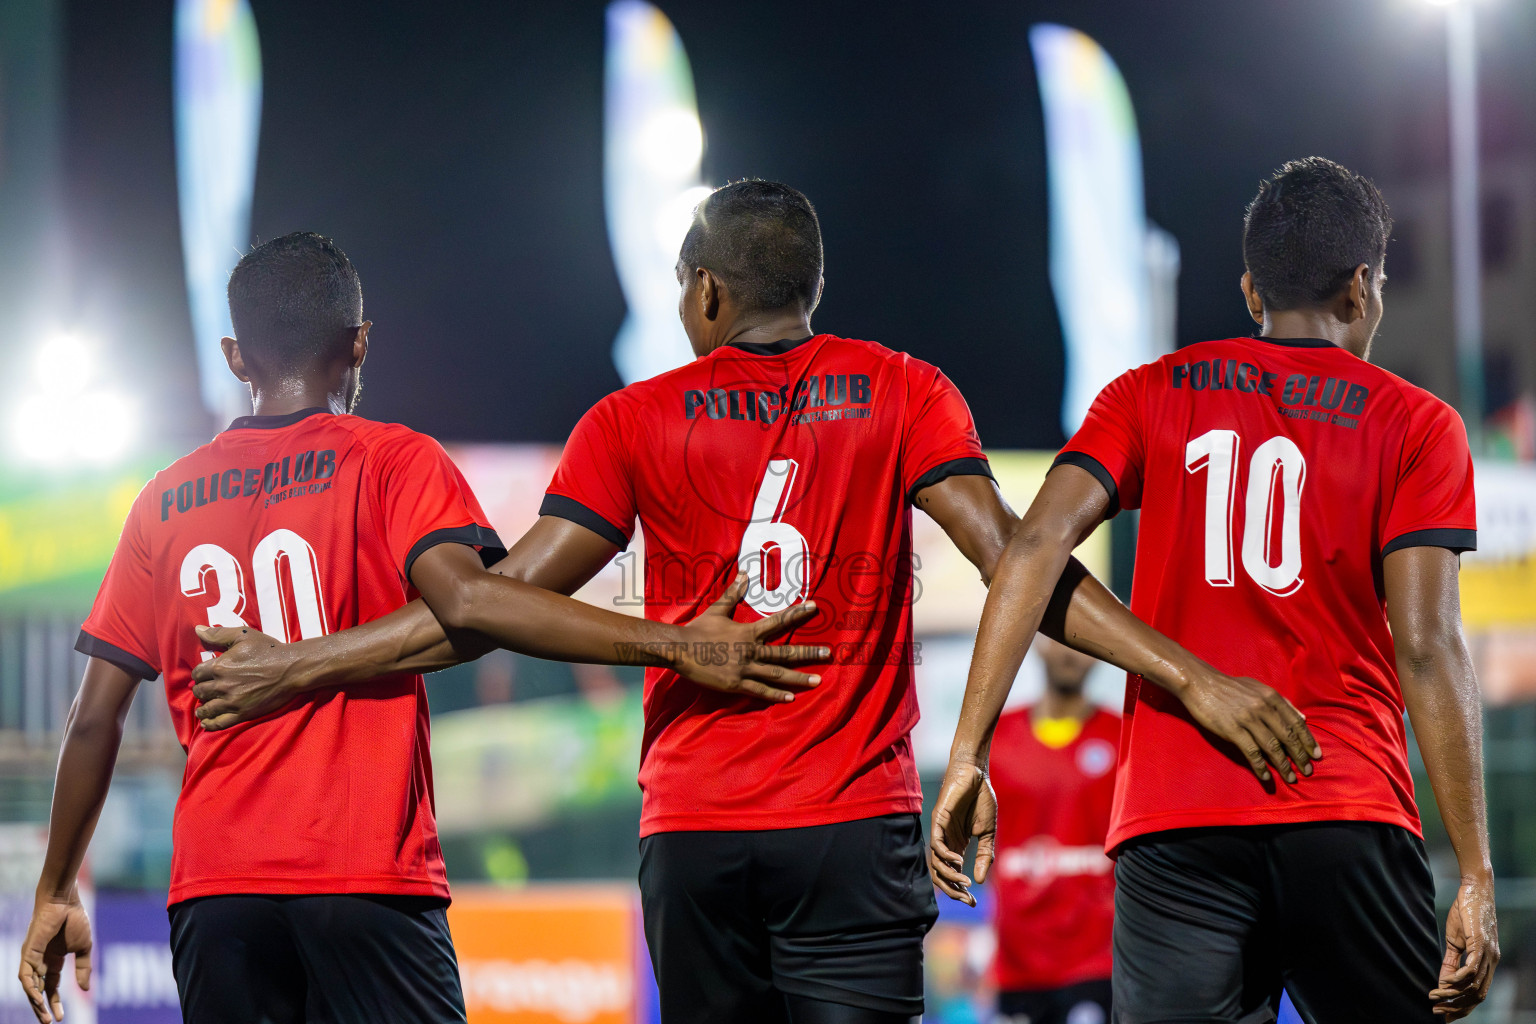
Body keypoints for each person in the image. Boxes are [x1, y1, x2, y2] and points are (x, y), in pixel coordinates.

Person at [185, 182, 1296, 1024]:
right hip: (853, 830)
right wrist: (1189, 673)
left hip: (699, 834)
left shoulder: (634, 420)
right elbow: (1022, 562)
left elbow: (487, 603)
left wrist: (301, 661)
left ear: (707, 293)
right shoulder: (906, 389)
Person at [15, 232, 826, 1024]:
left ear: (235, 356)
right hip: (365, 876)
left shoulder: (161, 500)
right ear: (359, 343)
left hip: (216, 893)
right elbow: (472, 606)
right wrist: (679, 642)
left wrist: (55, 890)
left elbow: (92, 718)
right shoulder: (394, 461)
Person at [930, 157, 1498, 1022]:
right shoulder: (1416, 423)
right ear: (1362, 289)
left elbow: (1029, 548)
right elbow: (1427, 646)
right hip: (1341, 800)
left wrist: (968, 750)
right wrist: (1477, 871)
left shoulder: (1150, 392)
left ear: (1248, 289)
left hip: (1175, 817)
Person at [989, 637, 1118, 1024]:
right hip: (1018, 963)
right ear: (1036, 641)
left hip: (1097, 961)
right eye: (1059, 636)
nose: (1069, 650)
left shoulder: (1122, 736)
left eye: (1083, 638)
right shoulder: (996, 738)